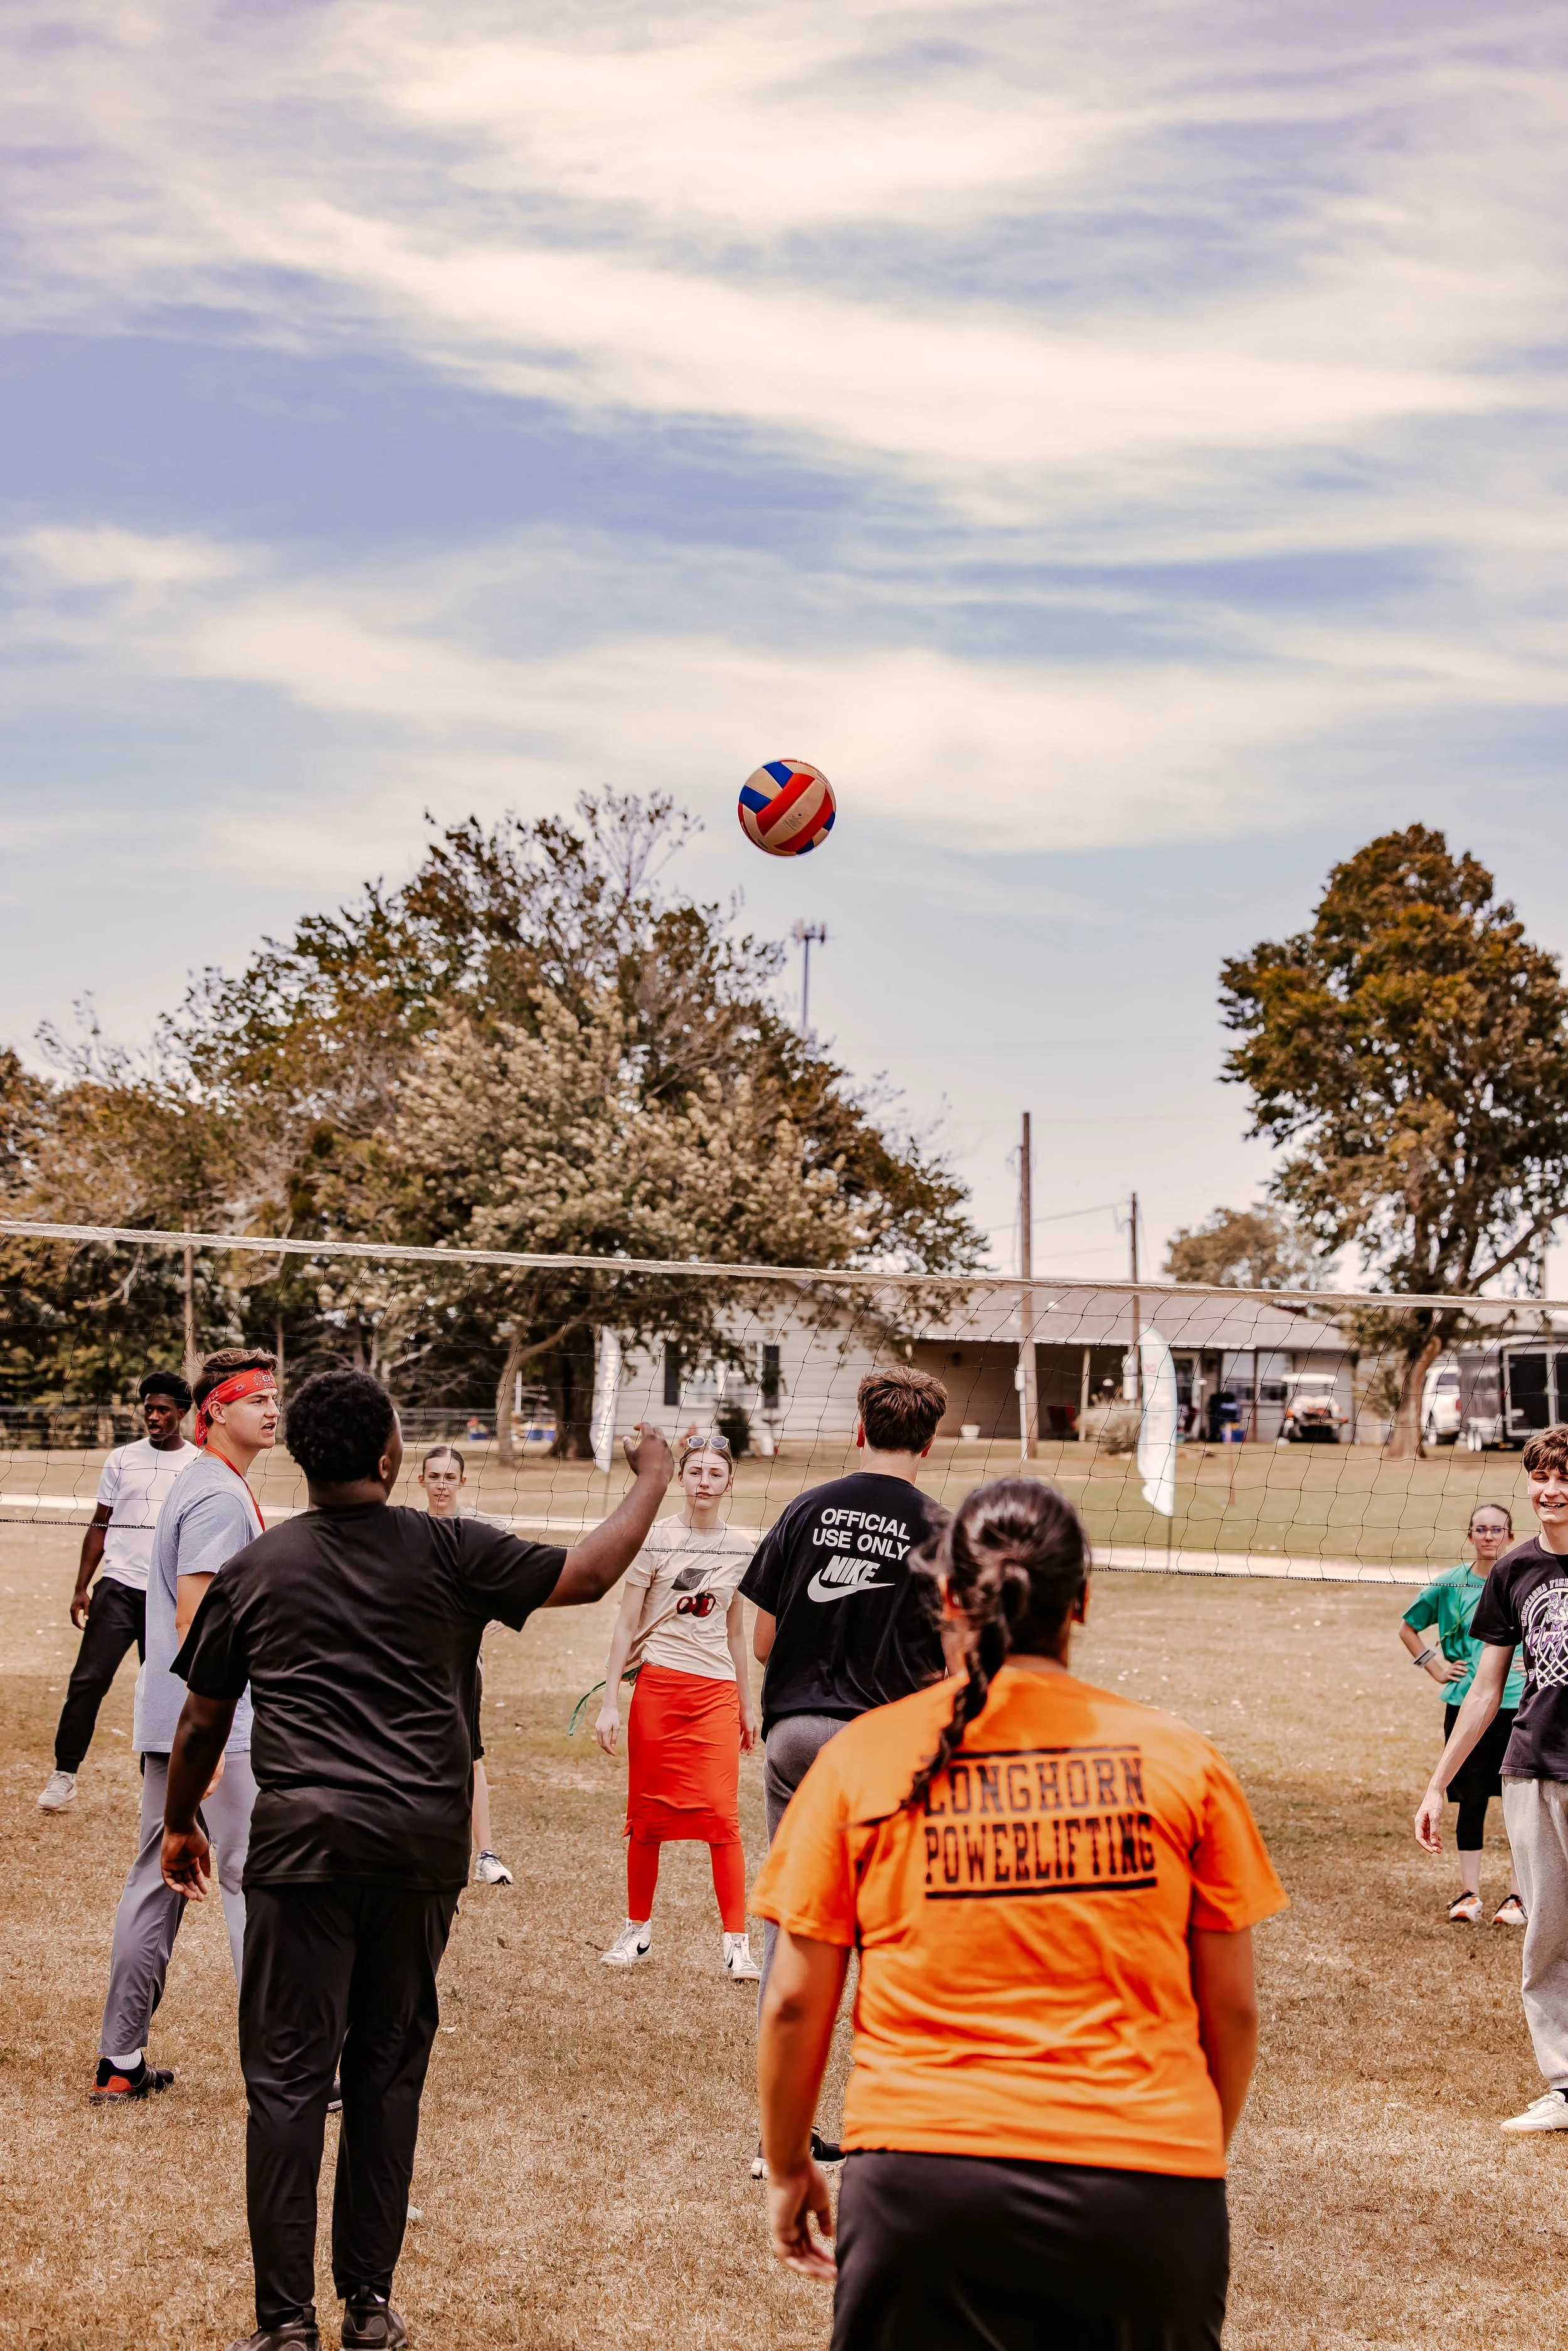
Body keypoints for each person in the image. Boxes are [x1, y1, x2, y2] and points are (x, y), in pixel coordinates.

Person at [162, 1367, 674, 2351]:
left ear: (305, 1458)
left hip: (302, 1848)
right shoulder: (447, 1547)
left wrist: (179, 1820)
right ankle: (370, 2308)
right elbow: (593, 1573)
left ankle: (284, 2327)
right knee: (387, 2073)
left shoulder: (259, 1569)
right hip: (417, 1850)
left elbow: (200, 1717)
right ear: (392, 1459)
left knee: (287, 2084)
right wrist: (650, 1471)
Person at [753, 1477, 1286, 2351]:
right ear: (1082, 1599)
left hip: (924, 2182)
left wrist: (787, 2169)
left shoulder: (867, 1757)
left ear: (947, 1597)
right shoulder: (1182, 1760)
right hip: (1148, 2185)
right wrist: (1182, 2161)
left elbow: (794, 2001)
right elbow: (1230, 2009)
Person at [91, 1347, 278, 2104]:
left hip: (185, 1716)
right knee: (250, 1881)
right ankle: (283, 2067)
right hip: (206, 1721)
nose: (271, 1409)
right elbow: (196, 1618)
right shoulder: (215, 1496)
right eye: (253, 1398)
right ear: (216, 1413)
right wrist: (219, 1738)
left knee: (156, 1883)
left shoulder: (214, 1483)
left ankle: (120, 2062)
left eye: (275, 1397)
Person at [739, 1365, 950, 2007]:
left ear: (859, 1429)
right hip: (886, 1744)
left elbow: (763, 1643)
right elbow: (952, 1665)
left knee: (796, 1901)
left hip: (797, 1735)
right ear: (928, 1443)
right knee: (889, 1903)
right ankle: (886, 2045)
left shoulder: (805, 1509)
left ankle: (783, 2043)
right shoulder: (942, 1528)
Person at [1417, 1425, 1568, 2133]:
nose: (1552, 1489)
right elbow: (1484, 1690)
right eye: (1542, 1475)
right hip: (1532, 1768)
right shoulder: (1513, 1572)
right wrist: (1435, 1785)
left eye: (1565, 1475)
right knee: (1547, 1933)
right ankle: (1564, 2086)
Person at [593, 1431, 760, 1977]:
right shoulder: (656, 1538)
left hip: (714, 1695)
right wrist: (611, 1703)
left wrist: (747, 1704)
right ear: (682, 1479)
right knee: (646, 1821)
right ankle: (637, 1930)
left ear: (730, 1482)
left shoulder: (741, 1547)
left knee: (722, 1818)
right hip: (659, 1690)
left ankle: (736, 1943)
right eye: (695, 1473)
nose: (704, 1483)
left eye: (715, 1474)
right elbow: (625, 1624)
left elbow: (736, 1635)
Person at [38, 1370, 197, 1812]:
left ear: (182, 1414)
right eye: (149, 1408)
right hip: (118, 1587)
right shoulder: (122, 1459)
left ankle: (159, 1779)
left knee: (164, 1691)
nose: (154, 1416)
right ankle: (64, 1775)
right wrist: (80, 1587)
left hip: (166, 1594)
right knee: (87, 1681)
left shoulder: (197, 1465)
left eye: (164, 1409)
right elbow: (99, 1523)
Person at [1399, 1503, 1525, 1923]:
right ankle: (1469, 1894)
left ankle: (1517, 1897)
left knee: (1519, 1806)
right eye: (1481, 1530)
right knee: (1470, 1800)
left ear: (1510, 1534)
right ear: (1470, 1535)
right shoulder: (1452, 1584)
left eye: (1498, 1530)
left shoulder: (1524, 1576)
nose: (1489, 1537)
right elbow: (1408, 1628)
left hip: (1518, 1708)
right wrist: (1434, 1667)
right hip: (1465, 1707)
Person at [417, 1445, 511, 1885]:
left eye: (448, 1477)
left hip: (460, 1667)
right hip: (412, 1665)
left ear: (462, 1482)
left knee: (468, 1755)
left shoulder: (478, 1529)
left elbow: (516, 1574)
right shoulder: (410, 1531)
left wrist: (493, 1616)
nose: (441, 1485)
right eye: (434, 1476)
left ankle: (486, 1854)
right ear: (422, 1481)